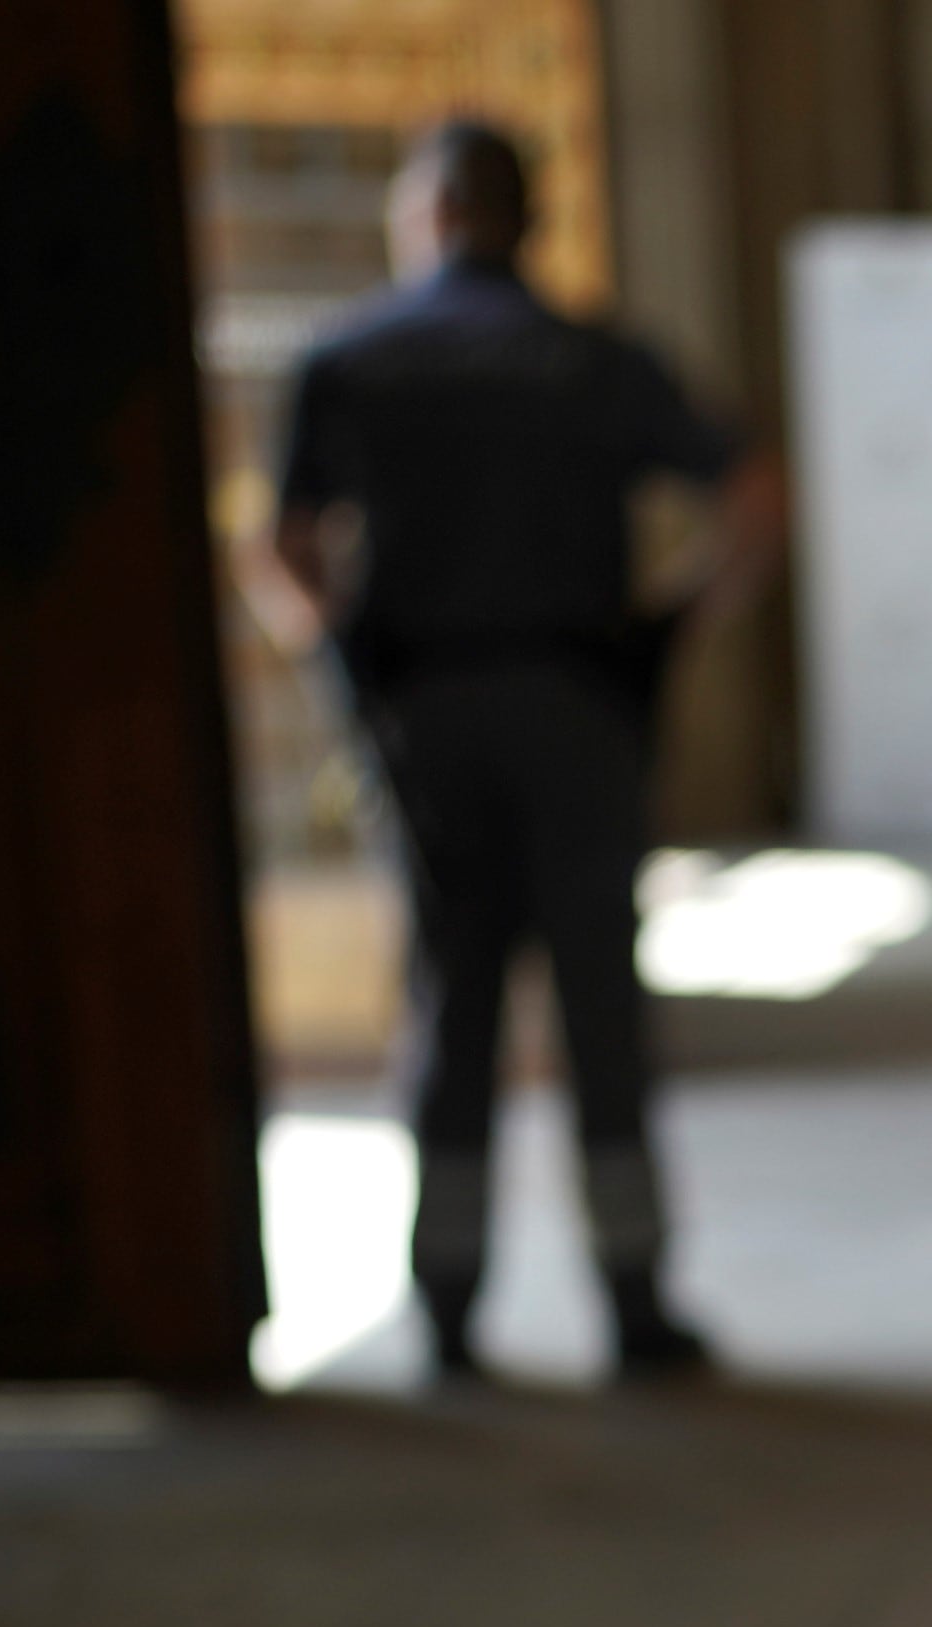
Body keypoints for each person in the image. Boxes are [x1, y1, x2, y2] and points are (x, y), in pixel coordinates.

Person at [256, 117, 784, 1379]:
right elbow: (755, 493)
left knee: (453, 1008)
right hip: (579, 708)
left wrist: (341, 668)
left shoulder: (346, 359)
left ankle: (445, 1308)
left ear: (418, 217)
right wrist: (669, 629)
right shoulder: (595, 360)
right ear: (528, 219)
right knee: (604, 1004)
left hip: (426, 716)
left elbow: (281, 551)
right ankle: (635, 1301)